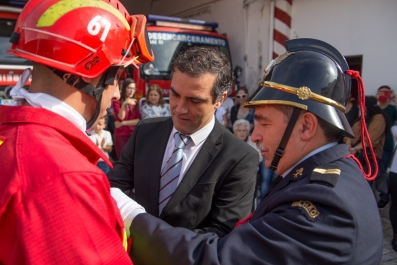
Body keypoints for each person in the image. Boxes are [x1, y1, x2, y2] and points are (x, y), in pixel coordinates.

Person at [111, 38, 383, 264]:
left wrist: (132, 215)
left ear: (307, 126)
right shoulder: (313, 179)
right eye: (175, 95)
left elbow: (223, 254)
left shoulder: (325, 203)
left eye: (264, 121)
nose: (254, 134)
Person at [0, 0, 154, 263]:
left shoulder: (1, 140)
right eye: (118, 77)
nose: (117, 93)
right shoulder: (65, 177)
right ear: (91, 71)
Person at [108, 46, 258, 237]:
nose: (180, 109)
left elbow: (223, 233)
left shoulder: (240, 158)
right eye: (174, 95)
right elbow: (113, 188)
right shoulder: (145, 132)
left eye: (194, 101)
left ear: (220, 100)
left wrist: (148, 233)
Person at [343, 96, 390, 177]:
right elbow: (350, 132)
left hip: (367, 158)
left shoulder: (379, 118)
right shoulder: (361, 118)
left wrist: (355, 149)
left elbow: (371, 140)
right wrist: (348, 143)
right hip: (353, 154)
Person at [376, 85, 397, 208]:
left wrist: (394, 99)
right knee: (374, 170)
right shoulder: (376, 108)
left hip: (387, 145)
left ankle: (384, 197)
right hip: (375, 145)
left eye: (385, 93)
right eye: (381, 93)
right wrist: (376, 100)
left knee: (384, 172)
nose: (383, 95)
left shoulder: (392, 108)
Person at [113, 78, 141, 159]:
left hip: (133, 135)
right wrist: (124, 104)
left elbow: (137, 121)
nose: (131, 91)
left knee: (133, 159)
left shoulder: (136, 102)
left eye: (133, 88)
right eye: (129, 88)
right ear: (124, 88)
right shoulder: (117, 101)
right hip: (121, 135)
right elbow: (121, 117)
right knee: (122, 158)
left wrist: (122, 123)